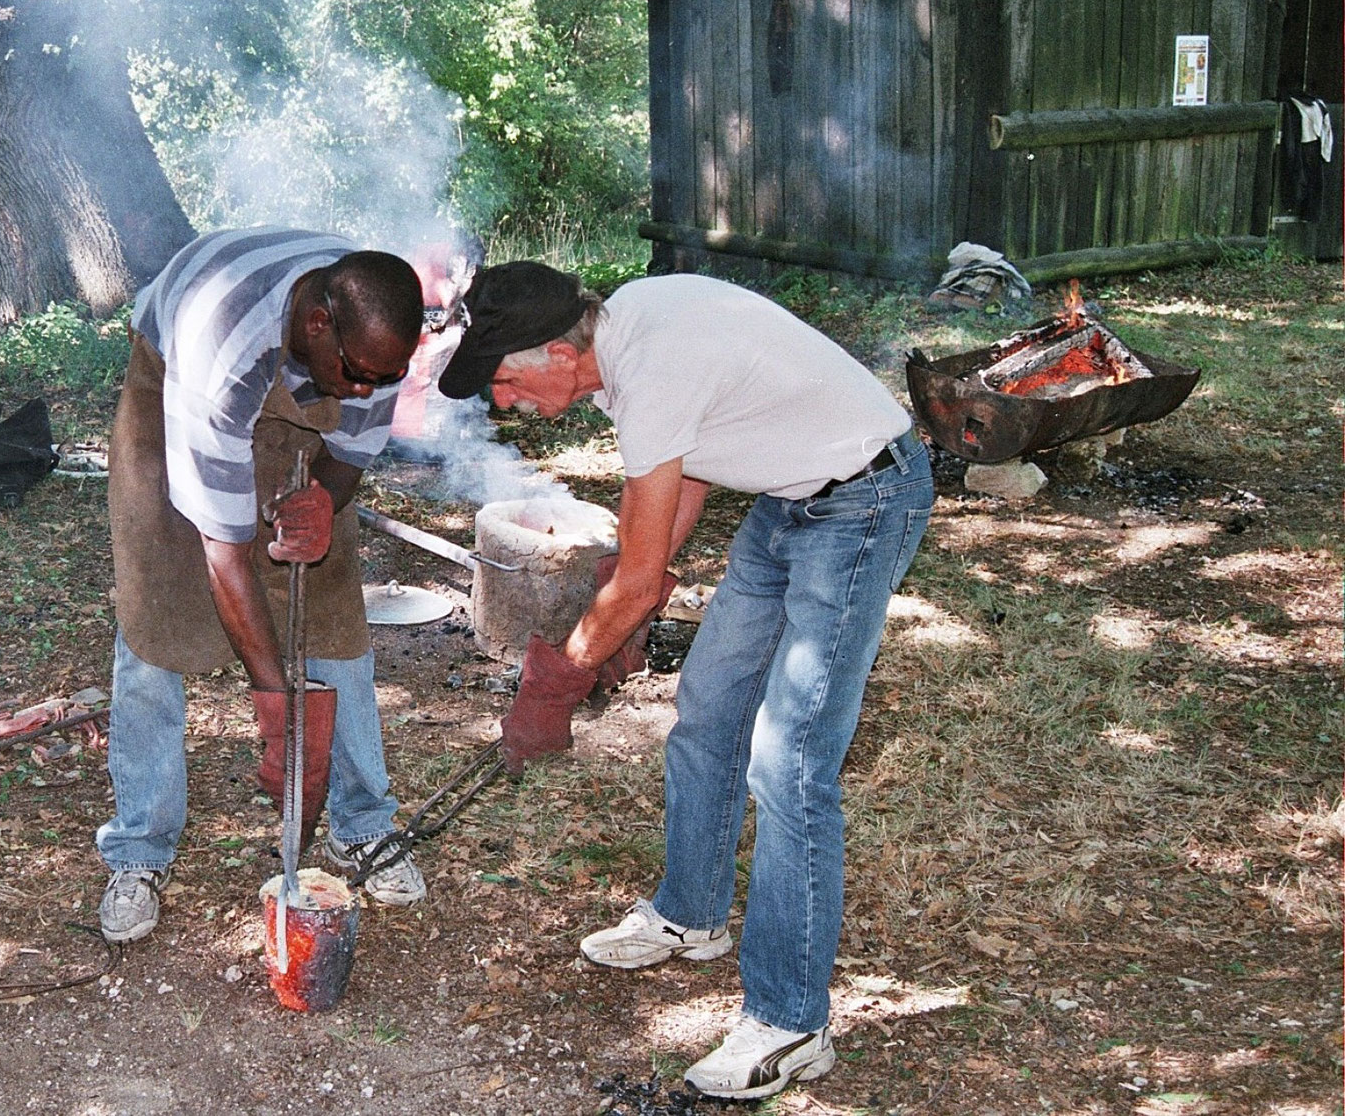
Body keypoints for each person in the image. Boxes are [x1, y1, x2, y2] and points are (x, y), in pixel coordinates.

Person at [438, 263, 933, 1100]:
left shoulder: (653, 360)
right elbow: (685, 479)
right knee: (707, 707)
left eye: (509, 383)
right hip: (789, 502)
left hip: (864, 503)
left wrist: (559, 678)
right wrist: (643, 575)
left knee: (791, 761)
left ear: (558, 350)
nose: (507, 406)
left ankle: (789, 1022)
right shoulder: (621, 341)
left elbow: (635, 577)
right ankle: (691, 911)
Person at [98, 227, 431, 943]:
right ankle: (139, 848)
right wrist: (277, 702)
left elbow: (345, 455)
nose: (370, 389)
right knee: (158, 613)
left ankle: (364, 824)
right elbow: (225, 556)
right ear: (317, 325)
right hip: (176, 375)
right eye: (360, 375)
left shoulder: (373, 339)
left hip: (291, 362)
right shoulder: (222, 353)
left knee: (334, 608)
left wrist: (322, 503)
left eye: (385, 376)